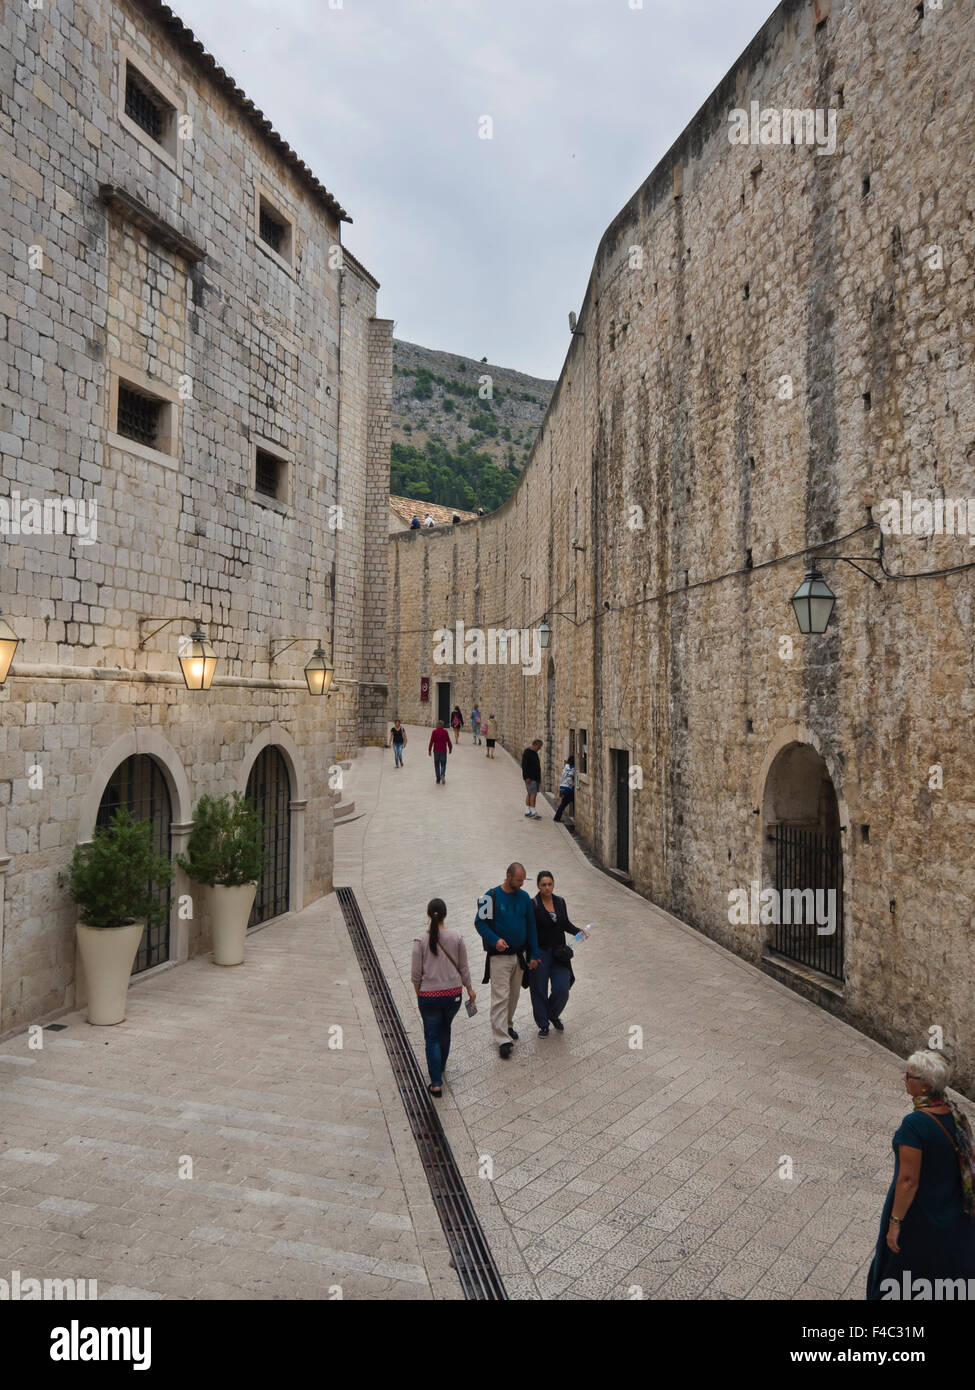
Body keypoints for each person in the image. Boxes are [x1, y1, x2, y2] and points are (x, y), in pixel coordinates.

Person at [866, 1049, 975, 1300]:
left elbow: (908, 1180)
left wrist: (895, 1223)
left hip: (918, 1214)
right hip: (949, 1209)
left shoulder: (914, 1125)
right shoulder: (954, 1114)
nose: (904, 1079)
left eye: (909, 1076)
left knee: (901, 1272)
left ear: (925, 1086)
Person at [474, 862, 539, 1059]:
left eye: (523, 880)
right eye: (518, 880)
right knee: (501, 996)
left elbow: (531, 927)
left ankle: (508, 1025)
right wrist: (495, 940)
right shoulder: (490, 896)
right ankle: (502, 1039)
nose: (521, 884)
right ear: (508, 876)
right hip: (499, 957)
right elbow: (479, 923)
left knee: (514, 995)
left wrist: (534, 954)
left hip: (520, 956)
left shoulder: (525, 898)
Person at [412, 898, 475, 1097]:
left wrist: (420, 993)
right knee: (445, 1030)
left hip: (428, 996)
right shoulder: (457, 937)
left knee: (431, 1036)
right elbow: (464, 966)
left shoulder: (420, 940)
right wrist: (469, 989)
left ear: (428, 915)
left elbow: (415, 974)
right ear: (445, 914)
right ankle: (440, 1066)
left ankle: (436, 1083)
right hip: (452, 995)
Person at [530, 871, 588, 1037]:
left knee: (562, 988)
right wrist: (532, 955)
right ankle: (543, 1024)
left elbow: (565, 923)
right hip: (540, 953)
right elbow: (531, 931)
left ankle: (552, 1015)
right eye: (543, 885)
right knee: (539, 990)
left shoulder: (560, 902)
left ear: (553, 884)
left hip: (559, 954)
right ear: (538, 886)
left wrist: (579, 931)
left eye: (550, 884)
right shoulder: (533, 904)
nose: (547, 888)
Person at [521, 738, 543, 818]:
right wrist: (526, 777)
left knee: (530, 793)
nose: (540, 748)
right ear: (535, 745)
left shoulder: (535, 753)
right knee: (533, 794)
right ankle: (533, 811)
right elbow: (524, 765)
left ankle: (527, 811)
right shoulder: (527, 752)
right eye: (539, 746)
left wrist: (539, 778)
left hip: (535, 778)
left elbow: (537, 766)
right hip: (530, 778)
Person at [427, 719, 452, 784]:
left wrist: (429, 750)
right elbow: (448, 741)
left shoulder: (434, 732)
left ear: (437, 725)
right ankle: (443, 774)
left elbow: (431, 741)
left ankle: (438, 779)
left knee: (437, 765)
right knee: (443, 764)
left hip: (436, 751)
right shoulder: (445, 732)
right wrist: (450, 748)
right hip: (443, 751)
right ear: (443, 726)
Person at [553, 755, 575, 823]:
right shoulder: (572, 768)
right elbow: (569, 778)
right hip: (568, 788)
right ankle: (557, 818)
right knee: (564, 804)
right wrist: (572, 785)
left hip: (562, 787)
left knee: (563, 803)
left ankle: (557, 817)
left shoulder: (565, 767)